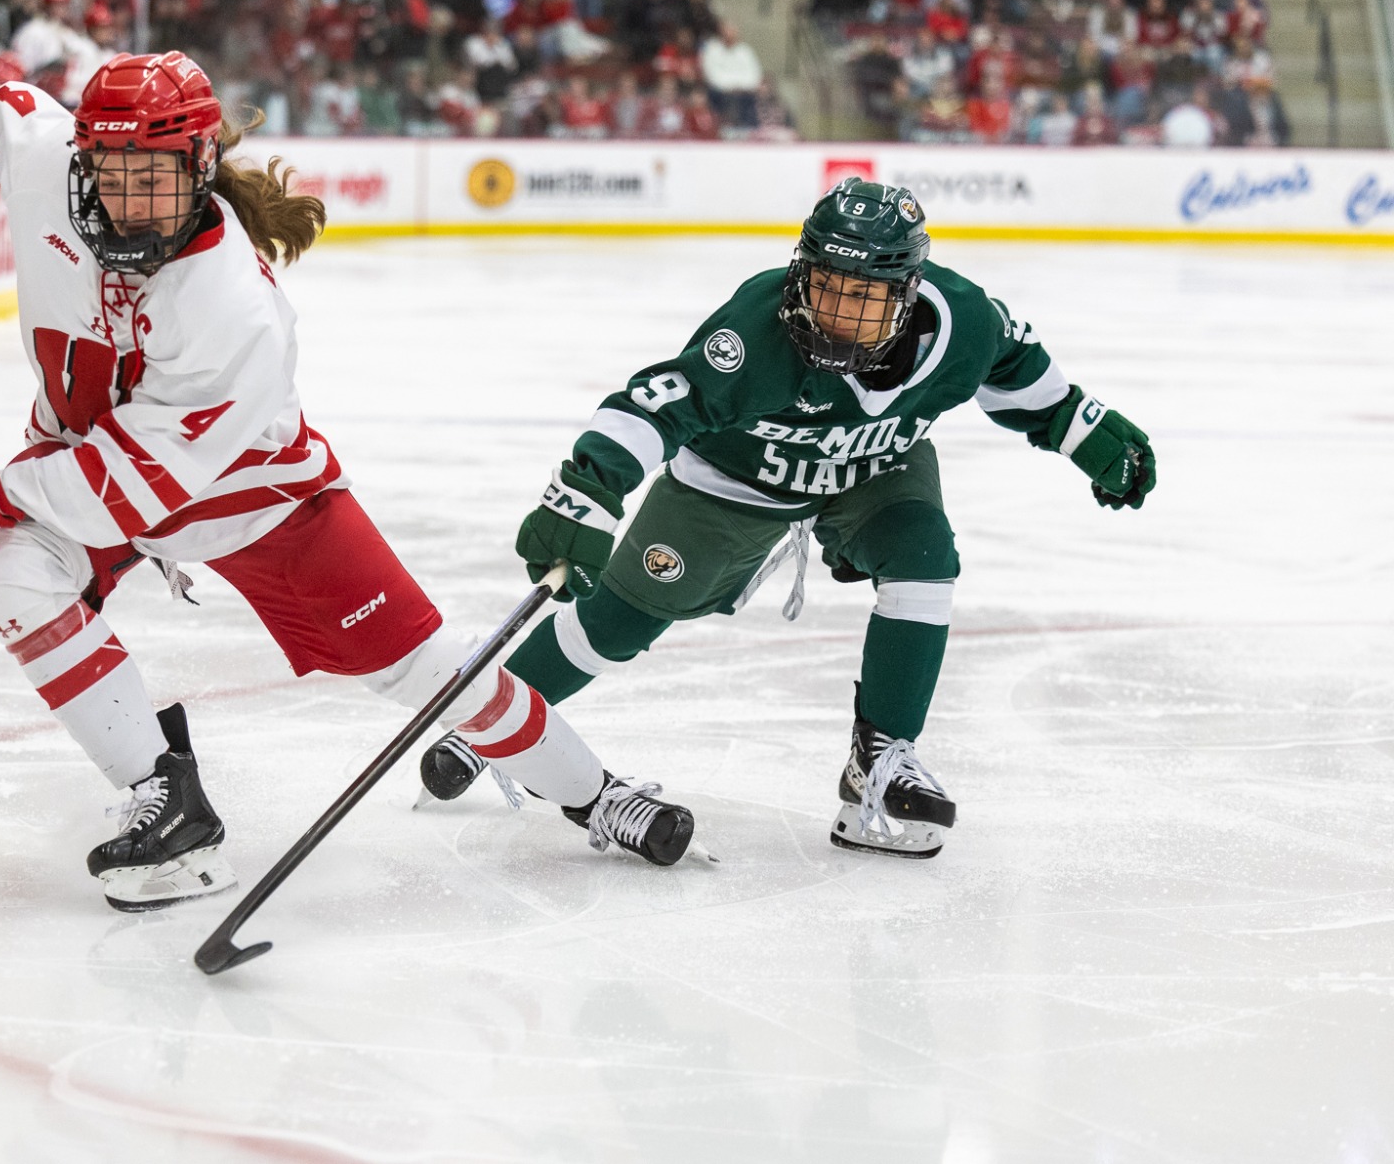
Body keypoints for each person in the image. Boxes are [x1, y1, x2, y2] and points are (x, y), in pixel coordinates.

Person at [0, 53, 697, 911]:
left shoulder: (234, 307)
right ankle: (169, 802)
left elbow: (136, 488)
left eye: (157, 179)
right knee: (5, 569)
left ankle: (598, 795)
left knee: (425, 671)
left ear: (201, 167)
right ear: (82, 158)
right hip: (81, 464)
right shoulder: (45, 161)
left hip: (252, 500)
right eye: (113, 175)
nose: (132, 203)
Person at [416, 179, 1156, 860]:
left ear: (907, 294)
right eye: (825, 286)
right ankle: (498, 716)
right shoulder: (756, 330)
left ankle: (879, 760)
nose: (835, 311)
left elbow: (1020, 370)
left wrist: (1085, 431)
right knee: (617, 622)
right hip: (734, 482)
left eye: (861, 297)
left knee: (924, 555)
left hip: (872, 468)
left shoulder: (964, 322)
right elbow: (652, 404)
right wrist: (587, 490)